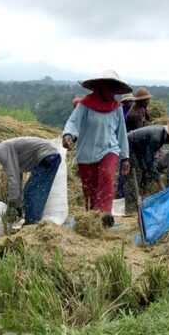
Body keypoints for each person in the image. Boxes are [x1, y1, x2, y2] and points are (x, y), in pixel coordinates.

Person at [63, 70, 131, 227]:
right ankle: (93, 221)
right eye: (106, 86)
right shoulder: (85, 105)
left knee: (107, 176)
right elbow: (73, 122)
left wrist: (125, 157)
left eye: (112, 87)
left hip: (110, 149)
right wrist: (68, 135)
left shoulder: (117, 109)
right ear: (99, 87)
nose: (109, 91)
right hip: (87, 152)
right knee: (90, 190)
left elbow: (121, 133)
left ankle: (105, 214)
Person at [0, 137, 61, 225]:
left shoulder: (0, 150)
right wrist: (17, 203)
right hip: (50, 155)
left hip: (47, 156)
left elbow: (12, 177)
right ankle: (34, 222)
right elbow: (17, 178)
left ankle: (31, 226)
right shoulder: (5, 148)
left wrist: (12, 205)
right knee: (31, 191)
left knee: (31, 192)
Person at [124, 123, 169, 213]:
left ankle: (141, 196)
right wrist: (158, 179)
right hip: (130, 145)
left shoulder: (161, 136)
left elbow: (149, 158)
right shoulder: (157, 138)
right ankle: (130, 207)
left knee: (144, 171)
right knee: (135, 173)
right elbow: (149, 160)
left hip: (139, 148)